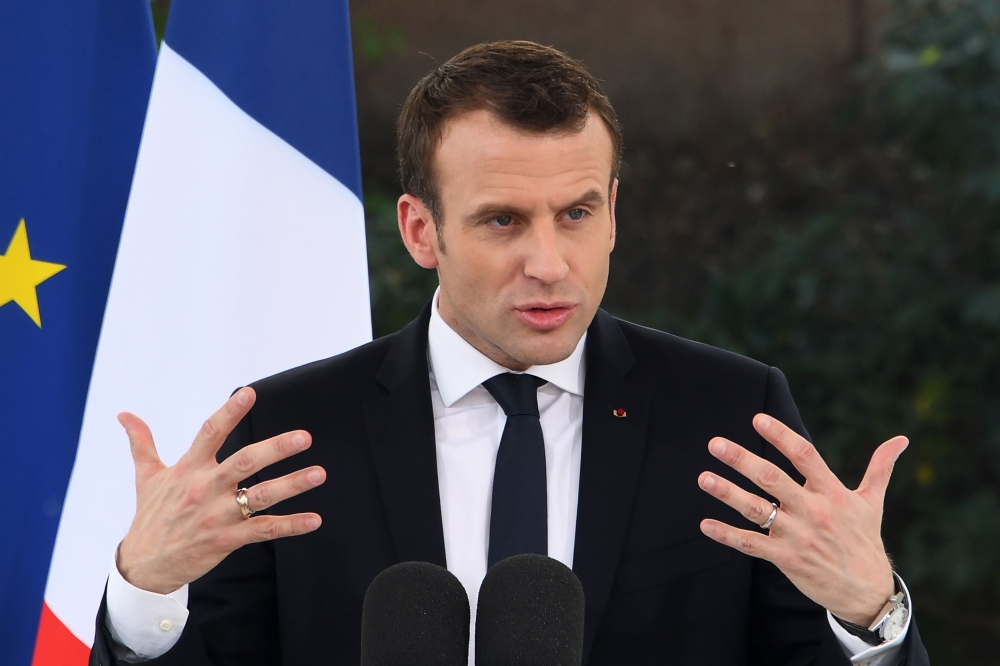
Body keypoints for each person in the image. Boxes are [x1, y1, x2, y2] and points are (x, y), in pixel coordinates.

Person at [90, 41, 929, 665]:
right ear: (422, 230)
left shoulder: (730, 416)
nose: (549, 263)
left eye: (576, 213)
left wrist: (870, 612)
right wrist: (145, 591)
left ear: (613, 212)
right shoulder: (290, 434)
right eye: (503, 220)